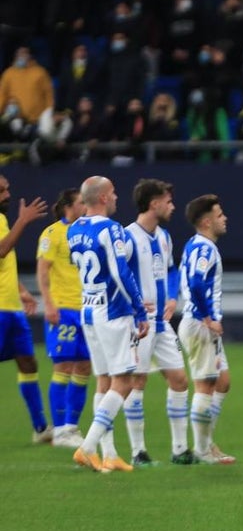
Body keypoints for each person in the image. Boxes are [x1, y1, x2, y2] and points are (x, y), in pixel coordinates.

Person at [68, 177, 149, 473]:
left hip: (88, 310)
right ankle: (88, 447)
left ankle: (110, 453)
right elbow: (120, 272)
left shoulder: (74, 229)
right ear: (102, 197)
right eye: (113, 193)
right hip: (113, 313)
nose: (116, 198)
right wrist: (139, 310)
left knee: (104, 381)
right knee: (124, 382)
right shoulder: (110, 229)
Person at [123, 180, 196, 466]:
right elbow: (116, 278)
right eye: (168, 201)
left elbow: (171, 270)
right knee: (136, 382)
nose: (172, 206)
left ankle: (179, 450)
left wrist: (173, 296)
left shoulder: (164, 237)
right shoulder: (127, 238)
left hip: (163, 324)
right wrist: (133, 304)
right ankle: (137, 451)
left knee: (179, 380)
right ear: (154, 204)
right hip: (137, 324)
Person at [178, 194, 234, 465]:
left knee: (222, 381)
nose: (225, 218)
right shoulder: (205, 249)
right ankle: (201, 450)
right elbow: (198, 283)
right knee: (204, 385)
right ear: (206, 220)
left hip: (198, 323)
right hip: (199, 324)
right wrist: (207, 317)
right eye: (220, 214)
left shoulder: (196, 245)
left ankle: (207, 442)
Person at [35, 188, 89, 448]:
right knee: (63, 367)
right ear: (69, 206)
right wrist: (48, 303)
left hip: (87, 310)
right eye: (81, 202)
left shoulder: (86, 231)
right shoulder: (52, 233)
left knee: (84, 368)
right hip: (63, 309)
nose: (85, 206)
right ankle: (58, 431)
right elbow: (43, 270)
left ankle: (71, 427)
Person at [0, 175, 50, 444]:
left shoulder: (2, 220)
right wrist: (24, 220)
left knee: (28, 361)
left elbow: (4, 264)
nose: (7, 195)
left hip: (11, 310)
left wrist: (20, 290)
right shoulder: (6, 222)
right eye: (1, 191)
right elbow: (1, 250)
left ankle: (41, 429)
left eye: (7, 188)